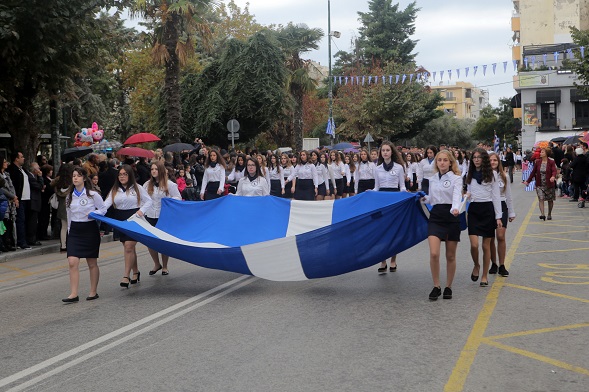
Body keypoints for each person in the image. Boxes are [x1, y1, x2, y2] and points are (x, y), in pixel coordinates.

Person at [62, 166, 107, 302]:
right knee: (72, 261)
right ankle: (74, 293)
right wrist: (69, 233)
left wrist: (94, 214)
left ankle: (93, 291)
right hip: (75, 230)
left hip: (89, 229)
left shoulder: (93, 195)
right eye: (74, 175)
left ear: (84, 178)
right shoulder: (69, 196)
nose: (75, 178)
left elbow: (103, 209)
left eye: (78, 175)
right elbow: (69, 216)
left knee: (91, 262)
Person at [423, 150, 463, 300]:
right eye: (439, 160)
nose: (442, 162)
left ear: (450, 162)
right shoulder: (432, 178)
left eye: (445, 160)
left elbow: (456, 195)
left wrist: (455, 207)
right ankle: (436, 286)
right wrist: (422, 199)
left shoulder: (456, 178)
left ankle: (448, 286)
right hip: (436, 216)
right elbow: (432, 199)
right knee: (434, 253)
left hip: (452, 215)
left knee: (450, 255)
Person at [104, 164, 152, 288]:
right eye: (120, 174)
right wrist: (95, 213)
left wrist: (141, 211)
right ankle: (136, 271)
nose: (122, 176)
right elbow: (105, 205)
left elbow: (148, 201)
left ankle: (126, 275)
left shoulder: (138, 188)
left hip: (134, 219)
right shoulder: (114, 189)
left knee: (129, 246)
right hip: (120, 219)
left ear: (130, 175)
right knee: (128, 248)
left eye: (125, 174)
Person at [464, 148, 502, 287]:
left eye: (479, 157)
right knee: (474, 245)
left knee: (486, 246)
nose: (476, 159)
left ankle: (484, 275)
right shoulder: (469, 174)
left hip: (487, 209)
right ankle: (476, 265)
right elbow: (468, 191)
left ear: (484, 159)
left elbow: (496, 196)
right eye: (474, 157)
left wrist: (498, 216)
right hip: (474, 209)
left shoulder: (492, 174)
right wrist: (466, 196)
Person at [144, 160, 182, 275]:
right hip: (150, 215)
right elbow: (143, 199)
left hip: (163, 216)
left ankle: (165, 266)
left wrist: (169, 200)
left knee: (163, 241)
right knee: (150, 242)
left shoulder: (169, 184)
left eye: (156, 169)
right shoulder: (146, 185)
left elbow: (178, 197)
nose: (154, 171)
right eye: (152, 169)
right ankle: (156, 263)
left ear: (160, 170)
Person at [374, 141, 406, 274]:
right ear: (381, 153)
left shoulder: (399, 168)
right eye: (383, 151)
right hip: (381, 200)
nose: (385, 152)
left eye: (387, 150)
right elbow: (376, 187)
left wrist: (405, 193)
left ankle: (393, 260)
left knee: (393, 232)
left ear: (392, 152)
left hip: (394, 199)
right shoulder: (377, 169)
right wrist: (369, 193)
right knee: (382, 232)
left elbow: (402, 185)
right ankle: (383, 260)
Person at [488, 152, 515, 277]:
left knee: (500, 236)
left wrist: (511, 212)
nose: (492, 162)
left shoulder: (504, 176)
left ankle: (502, 264)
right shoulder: (485, 177)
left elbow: (508, 195)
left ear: (498, 162)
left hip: (502, 205)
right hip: (489, 206)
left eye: (495, 160)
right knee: (490, 238)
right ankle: (493, 263)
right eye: (490, 160)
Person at [7, 151, 32, 250]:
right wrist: (15, 197)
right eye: (21, 157)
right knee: (20, 220)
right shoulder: (12, 170)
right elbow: (13, 186)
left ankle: (26, 239)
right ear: (16, 159)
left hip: (26, 198)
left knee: (25, 220)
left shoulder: (23, 169)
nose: (23, 158)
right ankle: (21, 242)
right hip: (19, 199)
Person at [524, 147, 558, 220]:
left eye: (542, 152)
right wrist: (528, 181)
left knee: (550, 200)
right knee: (541, 198)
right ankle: (542, 214)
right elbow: (533, 172)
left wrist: (553, 177)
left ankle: (549, 214)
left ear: (546, 154)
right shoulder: (538, 162)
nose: (540, 153)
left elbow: (554, 170)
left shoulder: (551, 162)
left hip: (549, 184)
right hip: (540, 184)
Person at [26, 162, 44, 246]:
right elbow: (39, 186)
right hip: (33, 202)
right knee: (32, 222)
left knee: (33, 221)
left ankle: (32, 238)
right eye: (38, 168)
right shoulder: (31, 177)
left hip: (34, 201)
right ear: (34, 169)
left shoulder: (32, 177)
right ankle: (31, 239)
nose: (39, 170)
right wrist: (40, 177)